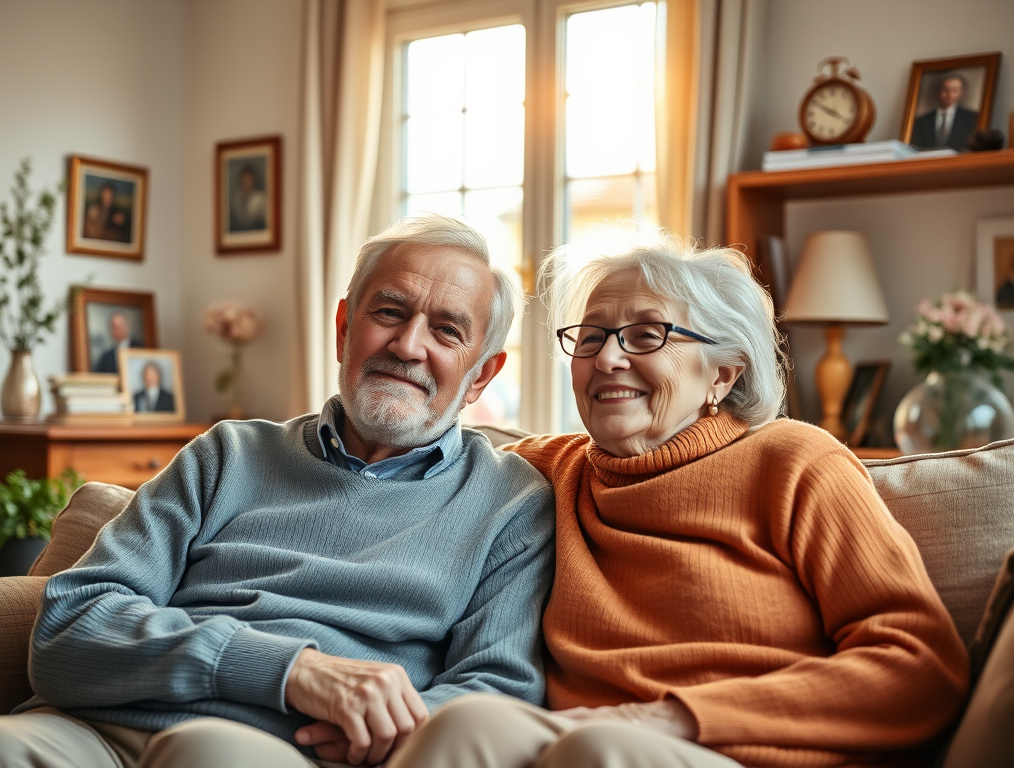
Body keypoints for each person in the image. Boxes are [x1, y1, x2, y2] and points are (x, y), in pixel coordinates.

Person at [387, 229, 969, 768]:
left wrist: (671, 717)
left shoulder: (795, 464)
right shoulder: (544, 472)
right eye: (590, 337)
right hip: (585, 743)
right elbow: (402, 461)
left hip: (735, 750)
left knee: (601, 750)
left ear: (723, 375)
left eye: (647, 334)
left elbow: (921, 666)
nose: (607, 358)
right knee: (463, 727)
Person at [0, 213, 555, 768]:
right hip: (93, 731)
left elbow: (496, 691)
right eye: (389, 312)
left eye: (446, 331)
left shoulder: (510, 503)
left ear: (481, 373)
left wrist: (393, 725)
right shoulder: (228, 454)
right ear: (343, 328)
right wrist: (291, 670)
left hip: (269, 748)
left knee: (209, 754)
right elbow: (69, 627)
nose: (407, 345)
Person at [910, 72, 979, 151]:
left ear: (962, 93)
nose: (949, 94)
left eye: (954, 90)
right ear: (938, 92)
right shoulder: (922, 120)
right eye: (945, 89)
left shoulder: (972, 117)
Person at [93, 309, 143, 374]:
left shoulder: (140, 349)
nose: (118, 330)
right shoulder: (106, 357)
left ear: (127, 326)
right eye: (115, 327)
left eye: (120, 325)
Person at [229, 164, 268, 231]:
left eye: (249, 179)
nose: (247, 182)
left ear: (253, 180)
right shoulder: (236, 199)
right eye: (244, 179)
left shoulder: (261, 198)